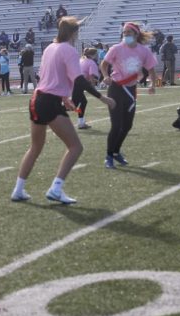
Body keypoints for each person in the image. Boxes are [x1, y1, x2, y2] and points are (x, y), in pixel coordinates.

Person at [11, 17, 115, 204]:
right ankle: (56, 188)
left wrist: (64, 97)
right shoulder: (69, 50)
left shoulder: (50, 47)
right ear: (73, 33)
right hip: (49, 102)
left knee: (35, 147)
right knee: (76, 147)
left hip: (37, 99)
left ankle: (18, 189)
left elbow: (48, 77)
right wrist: (102, 98)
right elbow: (80, 80)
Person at [100, 22, 158, 168]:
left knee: (127, 125)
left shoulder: (143, 51)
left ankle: (116, 152)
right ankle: (108, 156)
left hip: (131, 90)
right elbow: (104, 64)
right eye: (124, 33)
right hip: (116, 88)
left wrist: (152, 84)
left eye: (128, 33)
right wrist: (105, 76)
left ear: (136, 34)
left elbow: (151, 69)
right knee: (116, 125)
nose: (125, 35)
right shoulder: (116, 48)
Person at [73, 47, 100, 130]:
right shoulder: (91, 62)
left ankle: (81, 123)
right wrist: (94, 88)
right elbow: (91, 77)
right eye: (96, 54)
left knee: (82, 102)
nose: (97, 55)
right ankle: (52, 113)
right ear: (93, 55)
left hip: (75, 82)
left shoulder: (82, 60)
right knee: (73, 105)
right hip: (78, 83)